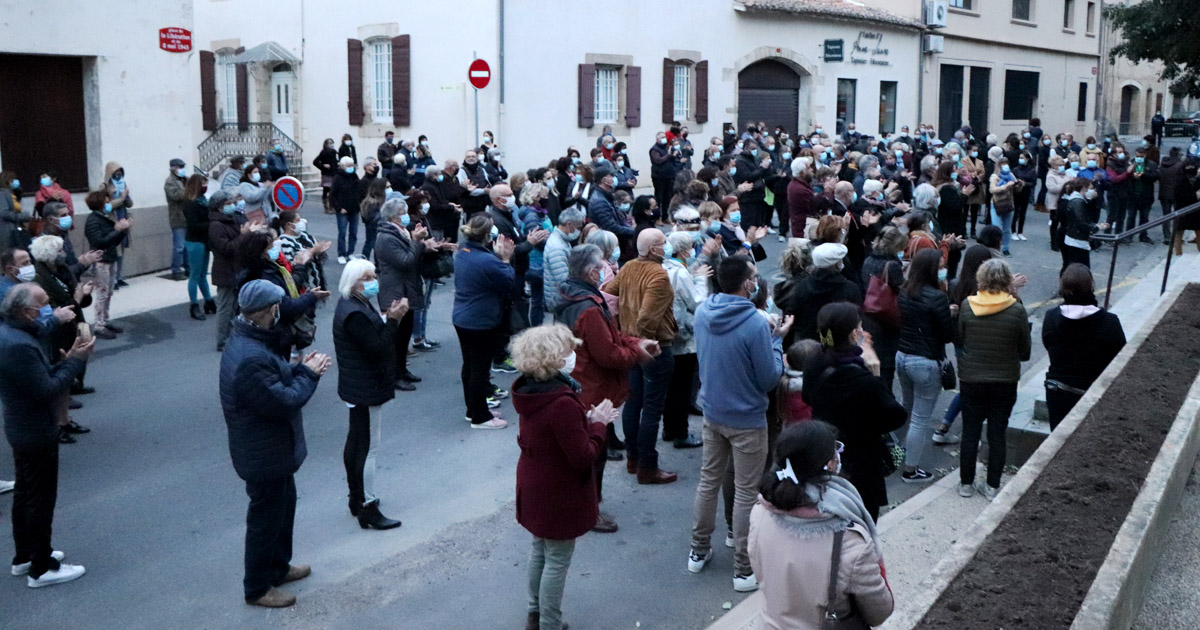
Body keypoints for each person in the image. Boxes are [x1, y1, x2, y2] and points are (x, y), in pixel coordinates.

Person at [220, 280, 329, 608]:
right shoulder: (250, 355)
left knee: (284, 508)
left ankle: (278, 567)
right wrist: (309, 374)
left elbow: (274, 378)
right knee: (265, 520)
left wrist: (297, 368)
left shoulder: (251, 339)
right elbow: (282, 401)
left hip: (273, 450)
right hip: (262, 453)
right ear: (270, 310)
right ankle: (257, 588)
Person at [688, 255, 791, 593]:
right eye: (755, 276)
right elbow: (768, 378)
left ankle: (698, 549)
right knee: (747, 491)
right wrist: (777, 340)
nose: (757, 281)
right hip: (747, 418)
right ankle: (743, 569)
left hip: (712, 411)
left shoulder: (704, 311)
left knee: (709, 481)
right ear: (746, 284)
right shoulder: (756, 324)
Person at [511, 323, 617, 630]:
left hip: (533, 483)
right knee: (557, 558)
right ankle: (550, 624)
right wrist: (598, 424)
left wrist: (583, 421)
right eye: (570, 350)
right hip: (557, 492)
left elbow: (550, 433)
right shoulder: (561, 402)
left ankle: (535, 613)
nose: (574, 355)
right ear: (555, 357)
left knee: (540, 549)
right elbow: (583, 455)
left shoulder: (531, 390)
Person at [554, 244, 660, 533]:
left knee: (584, 451)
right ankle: (588, 510)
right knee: (592, 453)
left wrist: (636, 343)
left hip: (579, 381)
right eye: (604, 265)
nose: (609, 269)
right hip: (591, 388)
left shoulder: (570, 292)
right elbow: (608, 354)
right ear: (590, 272)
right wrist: (640, 354)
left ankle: (581, 505)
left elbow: (612, 336)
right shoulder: (588, 309)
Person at [750, 421, 895, 629]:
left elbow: (760, 573)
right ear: (831, 464)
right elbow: (880, 612)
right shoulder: (850, 543)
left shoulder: (760, 513)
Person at [0, 283, 94, 587]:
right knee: (40, 499)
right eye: (43, 304)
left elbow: (38, 376)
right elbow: (46, 391)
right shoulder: (19, 345)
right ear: (28, 312)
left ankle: (25, 556)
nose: (47, 309)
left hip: (22, 428)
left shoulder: (13, 333)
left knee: (27, 494)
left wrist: (64, 362)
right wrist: (75, 362)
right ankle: (41, 567)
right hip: (35, 431)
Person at [801, 303, 907, 520]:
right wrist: (876, 373)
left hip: (825, 454)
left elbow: (806, 397)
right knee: (863, 524)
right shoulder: (864, 379)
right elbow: (896, 416)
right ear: (855, 333)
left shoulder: (813, 361)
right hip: (862, 464)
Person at [332, 259, 408, 530]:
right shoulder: (355, 312)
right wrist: (395, 321)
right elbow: (378, 347)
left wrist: (388, 318)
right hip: (365, 388)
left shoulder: (354, 305)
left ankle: (357, 498)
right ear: (353, 282)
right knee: (367, 448)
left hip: (358, 385)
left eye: (373, 275)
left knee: (356, 443)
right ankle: (368, 505)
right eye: (367, 277)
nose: (373, 281)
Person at [605, 229, 678, 484]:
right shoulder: (658, 274)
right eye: (663, 243)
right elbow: (647, 317)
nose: (667, 246)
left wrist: (623, 329)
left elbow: (606, 292)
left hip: (630, 345)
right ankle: (647, 465)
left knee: (633, 402)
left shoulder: (629, 267)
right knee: (651, 409)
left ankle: (634, 459)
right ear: (652, 250)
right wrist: (644, 342)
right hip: (654, 349)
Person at [957, 259, 1030, 500]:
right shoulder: (1017, 309)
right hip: (1004, 381)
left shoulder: (968, 305)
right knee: (997, 434)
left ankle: (966, 484)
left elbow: (960, 339)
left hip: (971, 379)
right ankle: (992, 486)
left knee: (970, 432)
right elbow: (1025, 352)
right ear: (1007, 280)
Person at [1042, 265, 1126, 430]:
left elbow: (1048, 343)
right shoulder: (1109, 322)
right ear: (1091, 286)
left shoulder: (1051, 317)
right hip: (1093, 392)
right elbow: (1121, 357)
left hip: (1058, 392)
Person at [895, 248, 953, 483]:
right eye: (940, 267)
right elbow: (947, 334)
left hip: (903, 355)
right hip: (926, 361)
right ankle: (911, 469)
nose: (942, 271)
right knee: (920, 418)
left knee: (907, 408)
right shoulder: (937, 298)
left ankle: (898, 450)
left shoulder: (904, 292)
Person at [453, 215, 516, 429]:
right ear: (488, 235)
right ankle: (481, 417)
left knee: (470, 366)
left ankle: (475, 409)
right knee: (479, 369)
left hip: (463, 317)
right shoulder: (487, 260)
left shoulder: (464, 250)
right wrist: (505, 259)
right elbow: (508, 281)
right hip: (480, 321)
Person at [662, 229, 711, 450]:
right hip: (683, 335)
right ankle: (680, 432)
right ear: (683, 251)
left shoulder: (668, 267)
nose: (694, 251)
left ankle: (669, 428)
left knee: (671, 386)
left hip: (669, 332)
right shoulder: (680, 273)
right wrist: (701, 279)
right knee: (682, 387)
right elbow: (697, 302)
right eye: (692, 247)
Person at [374, 198, 428, 392]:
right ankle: (395, 375)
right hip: (395, 291)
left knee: (405, 334)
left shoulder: (400, 232)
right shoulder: (386, 238)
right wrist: (417, 242)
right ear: (394, 216)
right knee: (396, 337)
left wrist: (422, 244)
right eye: (403, 212)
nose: (407, 216)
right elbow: (405, 261)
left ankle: (402, 370)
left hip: (406, 288)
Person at [778, 243, 862, 347]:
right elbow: (857, 317)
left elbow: (791, 315)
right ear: (838, 264)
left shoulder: (802, 286)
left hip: (808, 343)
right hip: (840, 345)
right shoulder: (850, 289)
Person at [859, 227, 907, 392]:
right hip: (887, 318)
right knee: (886, 367)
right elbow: (901, 290)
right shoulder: (892, 265)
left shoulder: (868, 260)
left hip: (869, 316)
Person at [82, 190, 131, 339]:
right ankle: (99, 324)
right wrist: (117, 230)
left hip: (110, 258)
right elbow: (99, 242)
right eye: (107, 201)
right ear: (100, 203)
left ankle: (105, 319)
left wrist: (123, 230)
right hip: (101, 261)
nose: (109, 204)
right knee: (102, 293)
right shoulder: (93, 220)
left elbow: (113, 240)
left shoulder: (104, 218)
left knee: (108, 292)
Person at [208, 190, 246, 351]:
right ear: (219, 207)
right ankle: (222, 340)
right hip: (225, 271)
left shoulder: (232, 220)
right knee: (225, 307)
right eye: (227, 204)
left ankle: (233, 336)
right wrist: (243, 235)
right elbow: (226, 248)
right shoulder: (216, 225)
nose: (231, 206)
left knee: (236, 307)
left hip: (237, 269)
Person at [182, 174, 215, 320]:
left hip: (203, 241)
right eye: (203, 183)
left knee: (202, 275)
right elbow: (193, 225)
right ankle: (194, 305)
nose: (205, 186)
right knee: (195, 275)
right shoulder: (190, 203)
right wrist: (212, 223)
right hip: (195, 241)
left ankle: (209, 301)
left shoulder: (203, 201)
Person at [1058, 179, 1108, 272]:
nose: (1093, 190)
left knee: (1073, 266)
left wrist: (1091, 201)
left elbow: (1087, 217)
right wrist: (1097, 227)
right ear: (1084, 188)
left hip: (1076, 238)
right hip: (1076, 240)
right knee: (1077, 267)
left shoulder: (1080, 201)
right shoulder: (1077, 202)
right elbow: (1082, 222)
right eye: (1091, 188)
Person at [542, 208, 584, 314]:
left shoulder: (562, 240)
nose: (579, 231)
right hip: (559, 300)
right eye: (579, 227)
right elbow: (563, 280)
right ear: (569, 225)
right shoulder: (557, 248)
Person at [330, 156, 362, 264]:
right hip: (343, 210)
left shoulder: (354, 176)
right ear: (343, 166)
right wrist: (338, 208)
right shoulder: (338, 178)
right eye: (348, 166)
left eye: (352, 165)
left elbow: (359, 190)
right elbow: (332, 195)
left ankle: (350, 253)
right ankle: (341, 254)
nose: (351, 167)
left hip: (354, 209)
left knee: (353, 232)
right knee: (342, 233)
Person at [164, 158, 189, 280]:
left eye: (182, 166)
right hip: (178, 217)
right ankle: (176, 270)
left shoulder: (185, 180)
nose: (182, 169)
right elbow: (176, 196)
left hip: (188, 216)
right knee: (179, 247)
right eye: (180, 167)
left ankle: (188, 268)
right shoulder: (170, 182)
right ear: (173, 168)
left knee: (188, 246)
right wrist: (187, 189)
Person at [1128, 148, 1160, 243]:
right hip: (1133, 196)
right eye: (1137, 156)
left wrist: (1144, 174)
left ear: (1145, 155)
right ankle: (1129, 235)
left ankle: (1143, 235)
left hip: (1146, 196)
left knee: (1144, 217)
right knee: (1131, 217)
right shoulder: (1131, 164)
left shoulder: (1151, 164)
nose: (1139, 158)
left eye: (1141, 157)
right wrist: (1132, 176)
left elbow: (1156, 177)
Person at [359, 178, 387, 261]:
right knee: (372, 243)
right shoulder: (374, 203)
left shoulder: (373, 201)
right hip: (374, 227)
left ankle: (364, 260)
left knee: (370, 243)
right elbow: (374, 218)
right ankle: (365, 261)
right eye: (387, 187)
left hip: (372, 226)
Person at [314, 138, 340, 214]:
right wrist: (323, 165)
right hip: (326, 174)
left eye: (332, 142)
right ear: (325, 144)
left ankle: (332, 206)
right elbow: (315, 162)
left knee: (333, 191)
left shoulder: (335, 152)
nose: (331, 144)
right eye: (329, 143)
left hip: (334, 173)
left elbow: (336, 161)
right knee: (326, 190)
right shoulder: (323, 152)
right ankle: (326, 207)